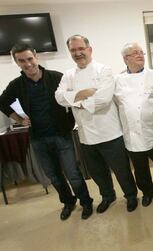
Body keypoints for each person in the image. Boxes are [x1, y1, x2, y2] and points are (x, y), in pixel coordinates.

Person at [0, 43, 93, 220]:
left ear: (36, 56)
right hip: (38, 139)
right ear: (16, 62)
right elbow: (2, 102)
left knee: (73, 174)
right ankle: (68, 202)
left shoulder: (57, 77)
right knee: (54, 177)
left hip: (62, 135)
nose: (27, 64)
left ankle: (86, 202)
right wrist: (19, 119)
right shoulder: (17, 85)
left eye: (29, 59)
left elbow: (73, 97)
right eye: (21, 61)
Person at [55, 35, 138, 213]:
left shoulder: (104, 70)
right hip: (86, 136)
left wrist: (74, 99)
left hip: (110, 133)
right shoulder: (68, 75)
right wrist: (84, 93)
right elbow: (59, 97)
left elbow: (103, 99)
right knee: (98, 173)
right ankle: (108, 196)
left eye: (80, 49)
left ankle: (130, 195)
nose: (78, 53)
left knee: (122, 170)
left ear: (89, 49)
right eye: (73, 50)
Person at [114, 42, 153, 207]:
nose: (140, 55)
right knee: (140, 169)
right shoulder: (118, 80)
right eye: (135, 53)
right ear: (126, 58)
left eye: (141, 52)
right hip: (132, 135)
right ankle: (147, 192)